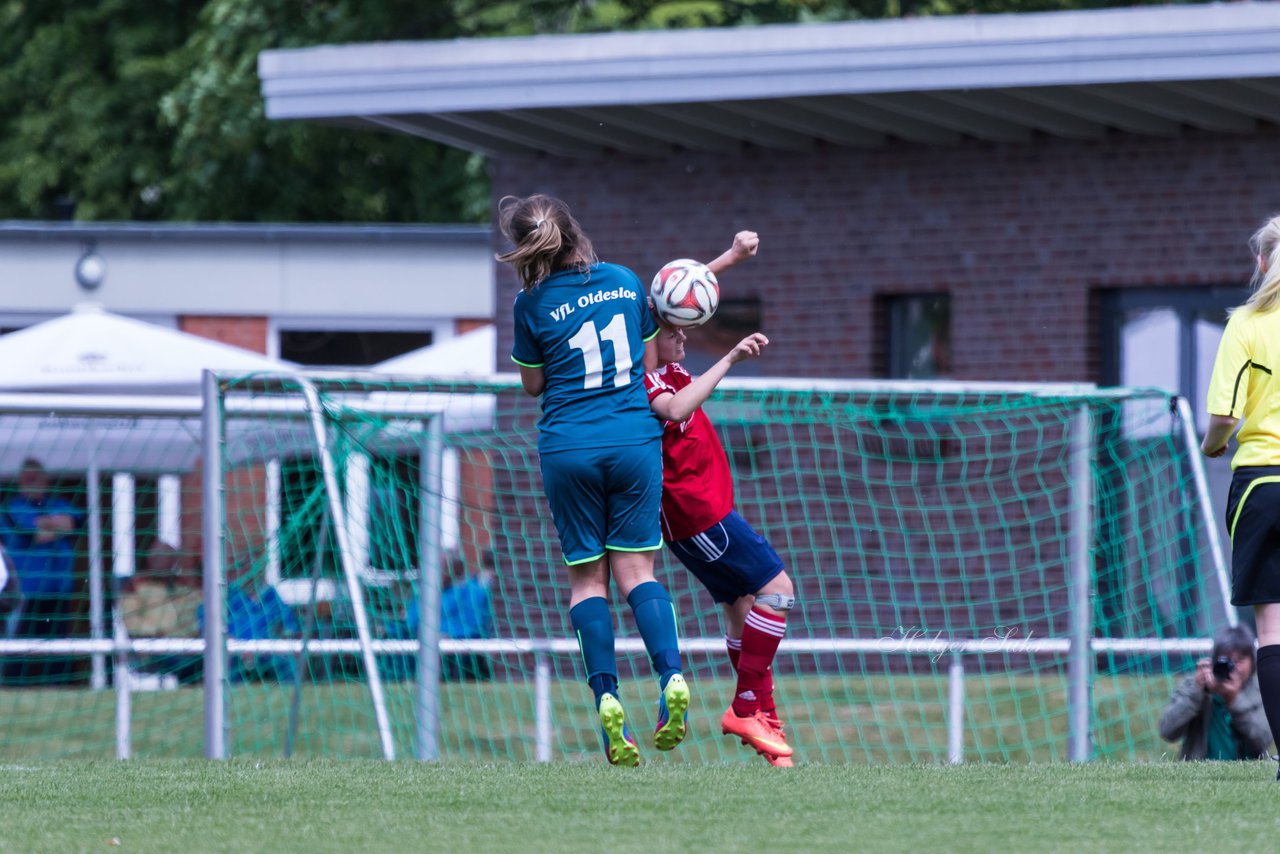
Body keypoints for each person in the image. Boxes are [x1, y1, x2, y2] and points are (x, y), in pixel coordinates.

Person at [501, 193, 687, 767]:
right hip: (633, 441)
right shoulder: (627, 281)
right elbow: (652, 362)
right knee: (638, 572)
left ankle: (607, 697)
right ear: (575, 231)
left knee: (589, 582)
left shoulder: (529, 303)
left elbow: (534, 387)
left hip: (570, 447)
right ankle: (672, 677)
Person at [643, 232, 797, 766]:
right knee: (777, 591)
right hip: (699, 516)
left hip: (702, 516)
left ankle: (764, 715)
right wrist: (730, 357)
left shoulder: (666, 357)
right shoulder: (645, 381)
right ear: (650, 335)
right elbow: (676, 406)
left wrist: (730, 259)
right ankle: (747, 705)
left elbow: (676, 298)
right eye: (672, 331)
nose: (684, 334)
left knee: (740, 609)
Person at [1202, 211, 1280, 776]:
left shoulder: (1245, 326)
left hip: (1260, 482)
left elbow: (1224, 416)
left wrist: (1212, 446)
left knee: (1272, 630)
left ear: (1262, 262)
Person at [1, 458, 82, 685]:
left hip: (59, 589)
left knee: (57, 641)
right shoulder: (10, 508)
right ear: (19, 482)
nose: (32, 483)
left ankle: (59, 685)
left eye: (36, 478)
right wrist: (56, 528)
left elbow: (74, 522)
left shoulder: (60, 504)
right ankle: (15, 686)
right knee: (20, 643)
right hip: (24, 591)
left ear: (46, 480)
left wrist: (44, 526)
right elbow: (27, 533)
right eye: (27, 479)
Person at [1158, 624, 1272, 760]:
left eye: (1239, 661)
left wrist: (1235, 700)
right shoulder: (1195, 686)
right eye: (1226, 661)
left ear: (1252, 662)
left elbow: (1264, 740)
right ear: (1214, 660)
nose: (1232, 668)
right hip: (1199, 776)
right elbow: (1167, 731)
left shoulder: (1260, 691)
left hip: (1251, 777)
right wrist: (1198, 691)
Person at [199, 560, 300, 683]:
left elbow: (288, 625)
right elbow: (208, 627)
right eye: (244, 567)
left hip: (267, 650)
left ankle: (291, 693)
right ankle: (228, 695)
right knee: (224, 661)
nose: (250, 572)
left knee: (285, 661)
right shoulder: (225, 596)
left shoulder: (270, 594)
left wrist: (277, 639)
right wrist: (237, 646)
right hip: (234, 651)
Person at [118, 541, 203, 684]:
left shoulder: (183, 587)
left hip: (186, 643)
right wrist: (156, 632)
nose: (165, 562)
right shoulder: (136, 586)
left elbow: (196, 613)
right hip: (153, 646)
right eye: (160, 558)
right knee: (182, 662)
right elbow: (130, 620)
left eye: (170, 558)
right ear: (150, 560)